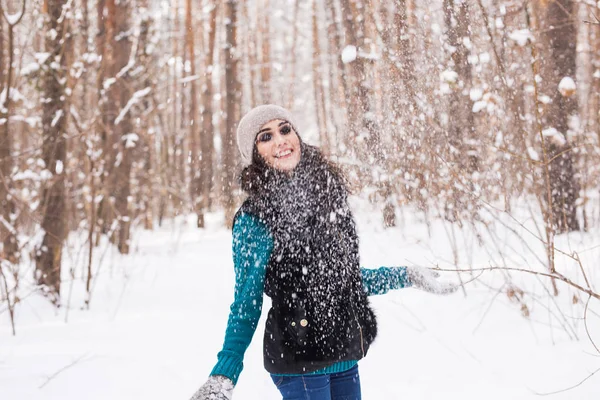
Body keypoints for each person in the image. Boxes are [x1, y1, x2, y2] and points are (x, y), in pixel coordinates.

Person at [190, 105, 458, 400]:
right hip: (298, 358)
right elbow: (246, 303)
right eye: (265, 137)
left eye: (285, 129)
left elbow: (343, 279)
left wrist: (406, 275)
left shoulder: (327, 195)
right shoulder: (254, 219)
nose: (280, 140)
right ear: (255, 155)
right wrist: (223, 373)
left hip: (343, 352)